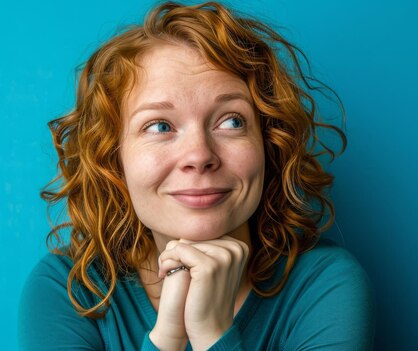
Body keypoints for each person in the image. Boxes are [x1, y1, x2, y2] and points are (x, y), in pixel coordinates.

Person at [17, 1, 374, 350]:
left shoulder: (322, 285)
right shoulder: (69, 290)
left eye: (231, 121)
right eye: (160, 126)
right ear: (114, 159)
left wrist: (212, 333)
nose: (199, 156)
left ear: (268, 144)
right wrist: (168, 336)